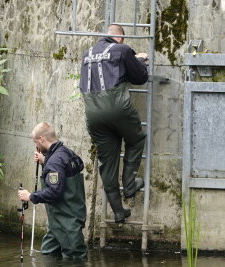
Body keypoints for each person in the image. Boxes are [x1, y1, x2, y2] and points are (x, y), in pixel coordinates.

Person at [79, 24, 149, 223]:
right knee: (136, 140)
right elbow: (139, 78)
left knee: (107, 161)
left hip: (92, 111)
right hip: (117, 107)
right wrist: (139, 61)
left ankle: (118, 210)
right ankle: (129, 185)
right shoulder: (122, 49)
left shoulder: (87, 53)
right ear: (120, 38)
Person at [18, 122, 87, 260]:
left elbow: (55, 192)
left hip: (67, 221)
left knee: (74, 258)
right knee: (48, 253)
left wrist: (30, 196)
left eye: (36, 142)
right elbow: (75, 166)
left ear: (42, 139)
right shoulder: (66, 152)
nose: (36, 147)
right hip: (58, 220)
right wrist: (45, 161)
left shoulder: (55, 161)